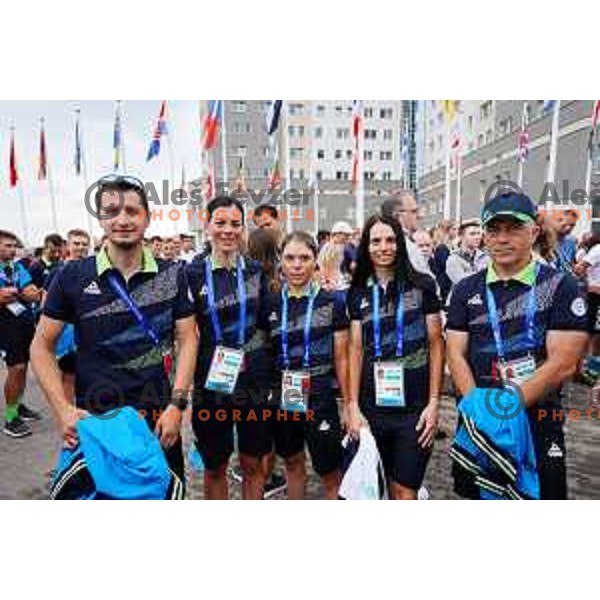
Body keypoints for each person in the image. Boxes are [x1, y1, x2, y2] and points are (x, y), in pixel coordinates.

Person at [31, 175, 198, 496]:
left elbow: (188, 338)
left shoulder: (172, 274)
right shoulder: (72, 275)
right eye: (112, 211)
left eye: (132, 211)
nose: (122, 220)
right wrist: (62, 410)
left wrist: (177, 405)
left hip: (158, 419)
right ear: (101, 218)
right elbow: (40, 346)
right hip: (96, 421)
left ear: (147, 217)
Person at [446, 193, 589, 499]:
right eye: (494, 230)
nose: (502, 238)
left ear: (534, 232)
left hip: (537, 421)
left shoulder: (561, 286)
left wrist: (504, 409)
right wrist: (480, 411)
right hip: (478, 421)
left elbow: (563, 363)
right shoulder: (465, 289)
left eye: (513, 228)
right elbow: (455, 353)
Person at [347, 214, 444, 499]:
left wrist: (435, 402)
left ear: (400, 244)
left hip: (414, 409)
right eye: (375, 241)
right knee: (374, 490)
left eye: (390, 240)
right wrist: (352, 405)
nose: (384, 247)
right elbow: (355, 350)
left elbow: (437, 345)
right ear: (366, 247)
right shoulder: (357, 293)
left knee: (405, 491)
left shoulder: (423, 285)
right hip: (372, 407)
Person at [187, 196, 273, 500]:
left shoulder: (254, 271)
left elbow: (268, 325)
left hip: (253, 380)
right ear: (206, 224)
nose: (228, 230)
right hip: (211, 382)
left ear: (243, 227)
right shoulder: (192, 273)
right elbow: (184, 333)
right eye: (220, 223)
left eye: (235, 224)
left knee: (253, 462)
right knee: (215, 465)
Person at [263, 232, 351, 499]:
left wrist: (349, 404)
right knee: (292, 462)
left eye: (304, 258)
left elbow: (342, 358)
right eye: (290, 258)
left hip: (320, 395)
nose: (297, 265)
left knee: (330, 471)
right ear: (281, 262)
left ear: (315, 261)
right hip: (285, 393)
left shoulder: (333, 301)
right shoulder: (271, 303)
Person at [0, 230, 42, 437]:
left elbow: (32, 293)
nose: (12, 249)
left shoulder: (17, 267)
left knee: (24, 367)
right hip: (5, 326)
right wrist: (16, 293)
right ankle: (10, 419)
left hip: (24, 322)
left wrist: (15, 292)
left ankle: (17, 406)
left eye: (13, 246)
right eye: (7, 245)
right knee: (15, 368)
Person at [381, 191, 434, 278]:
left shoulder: (407, 241)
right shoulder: (397, 245)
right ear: (397, 215)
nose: (419, 216)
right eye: (414, 211)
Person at [445, 219, 487, 287]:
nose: (477, 237)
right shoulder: (453, 259)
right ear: (461, 236)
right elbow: (463, 284)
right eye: (472, 234)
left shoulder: (485, 257)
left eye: (479, 233)